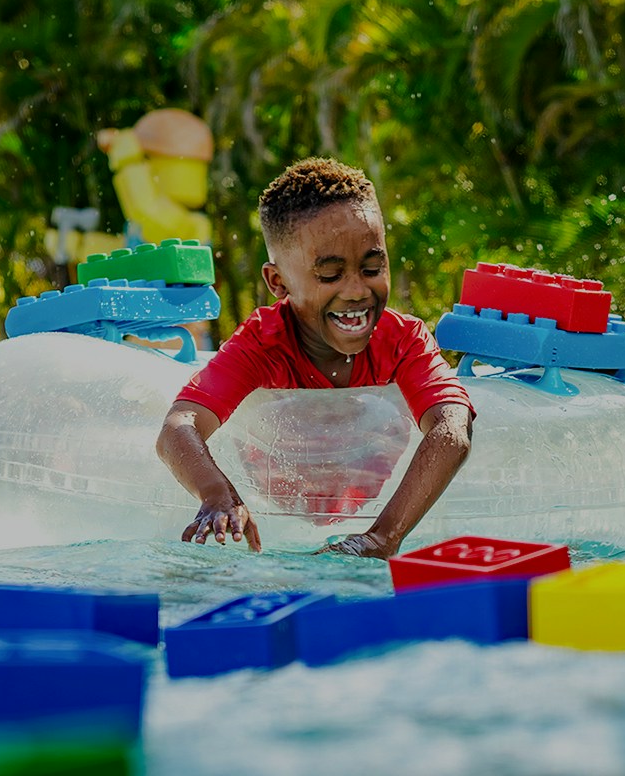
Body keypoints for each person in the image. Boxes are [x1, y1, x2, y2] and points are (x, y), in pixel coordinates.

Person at [155, 158, 475, 558]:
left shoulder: (402, 341)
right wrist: (219, 495)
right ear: (278, 282)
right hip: (279, 516)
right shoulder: (263, 342)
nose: (357, 290)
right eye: (330, 275)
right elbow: (177, 427)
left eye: (373, 267)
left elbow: (451, 430)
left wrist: (381, 537)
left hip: (371, 509)